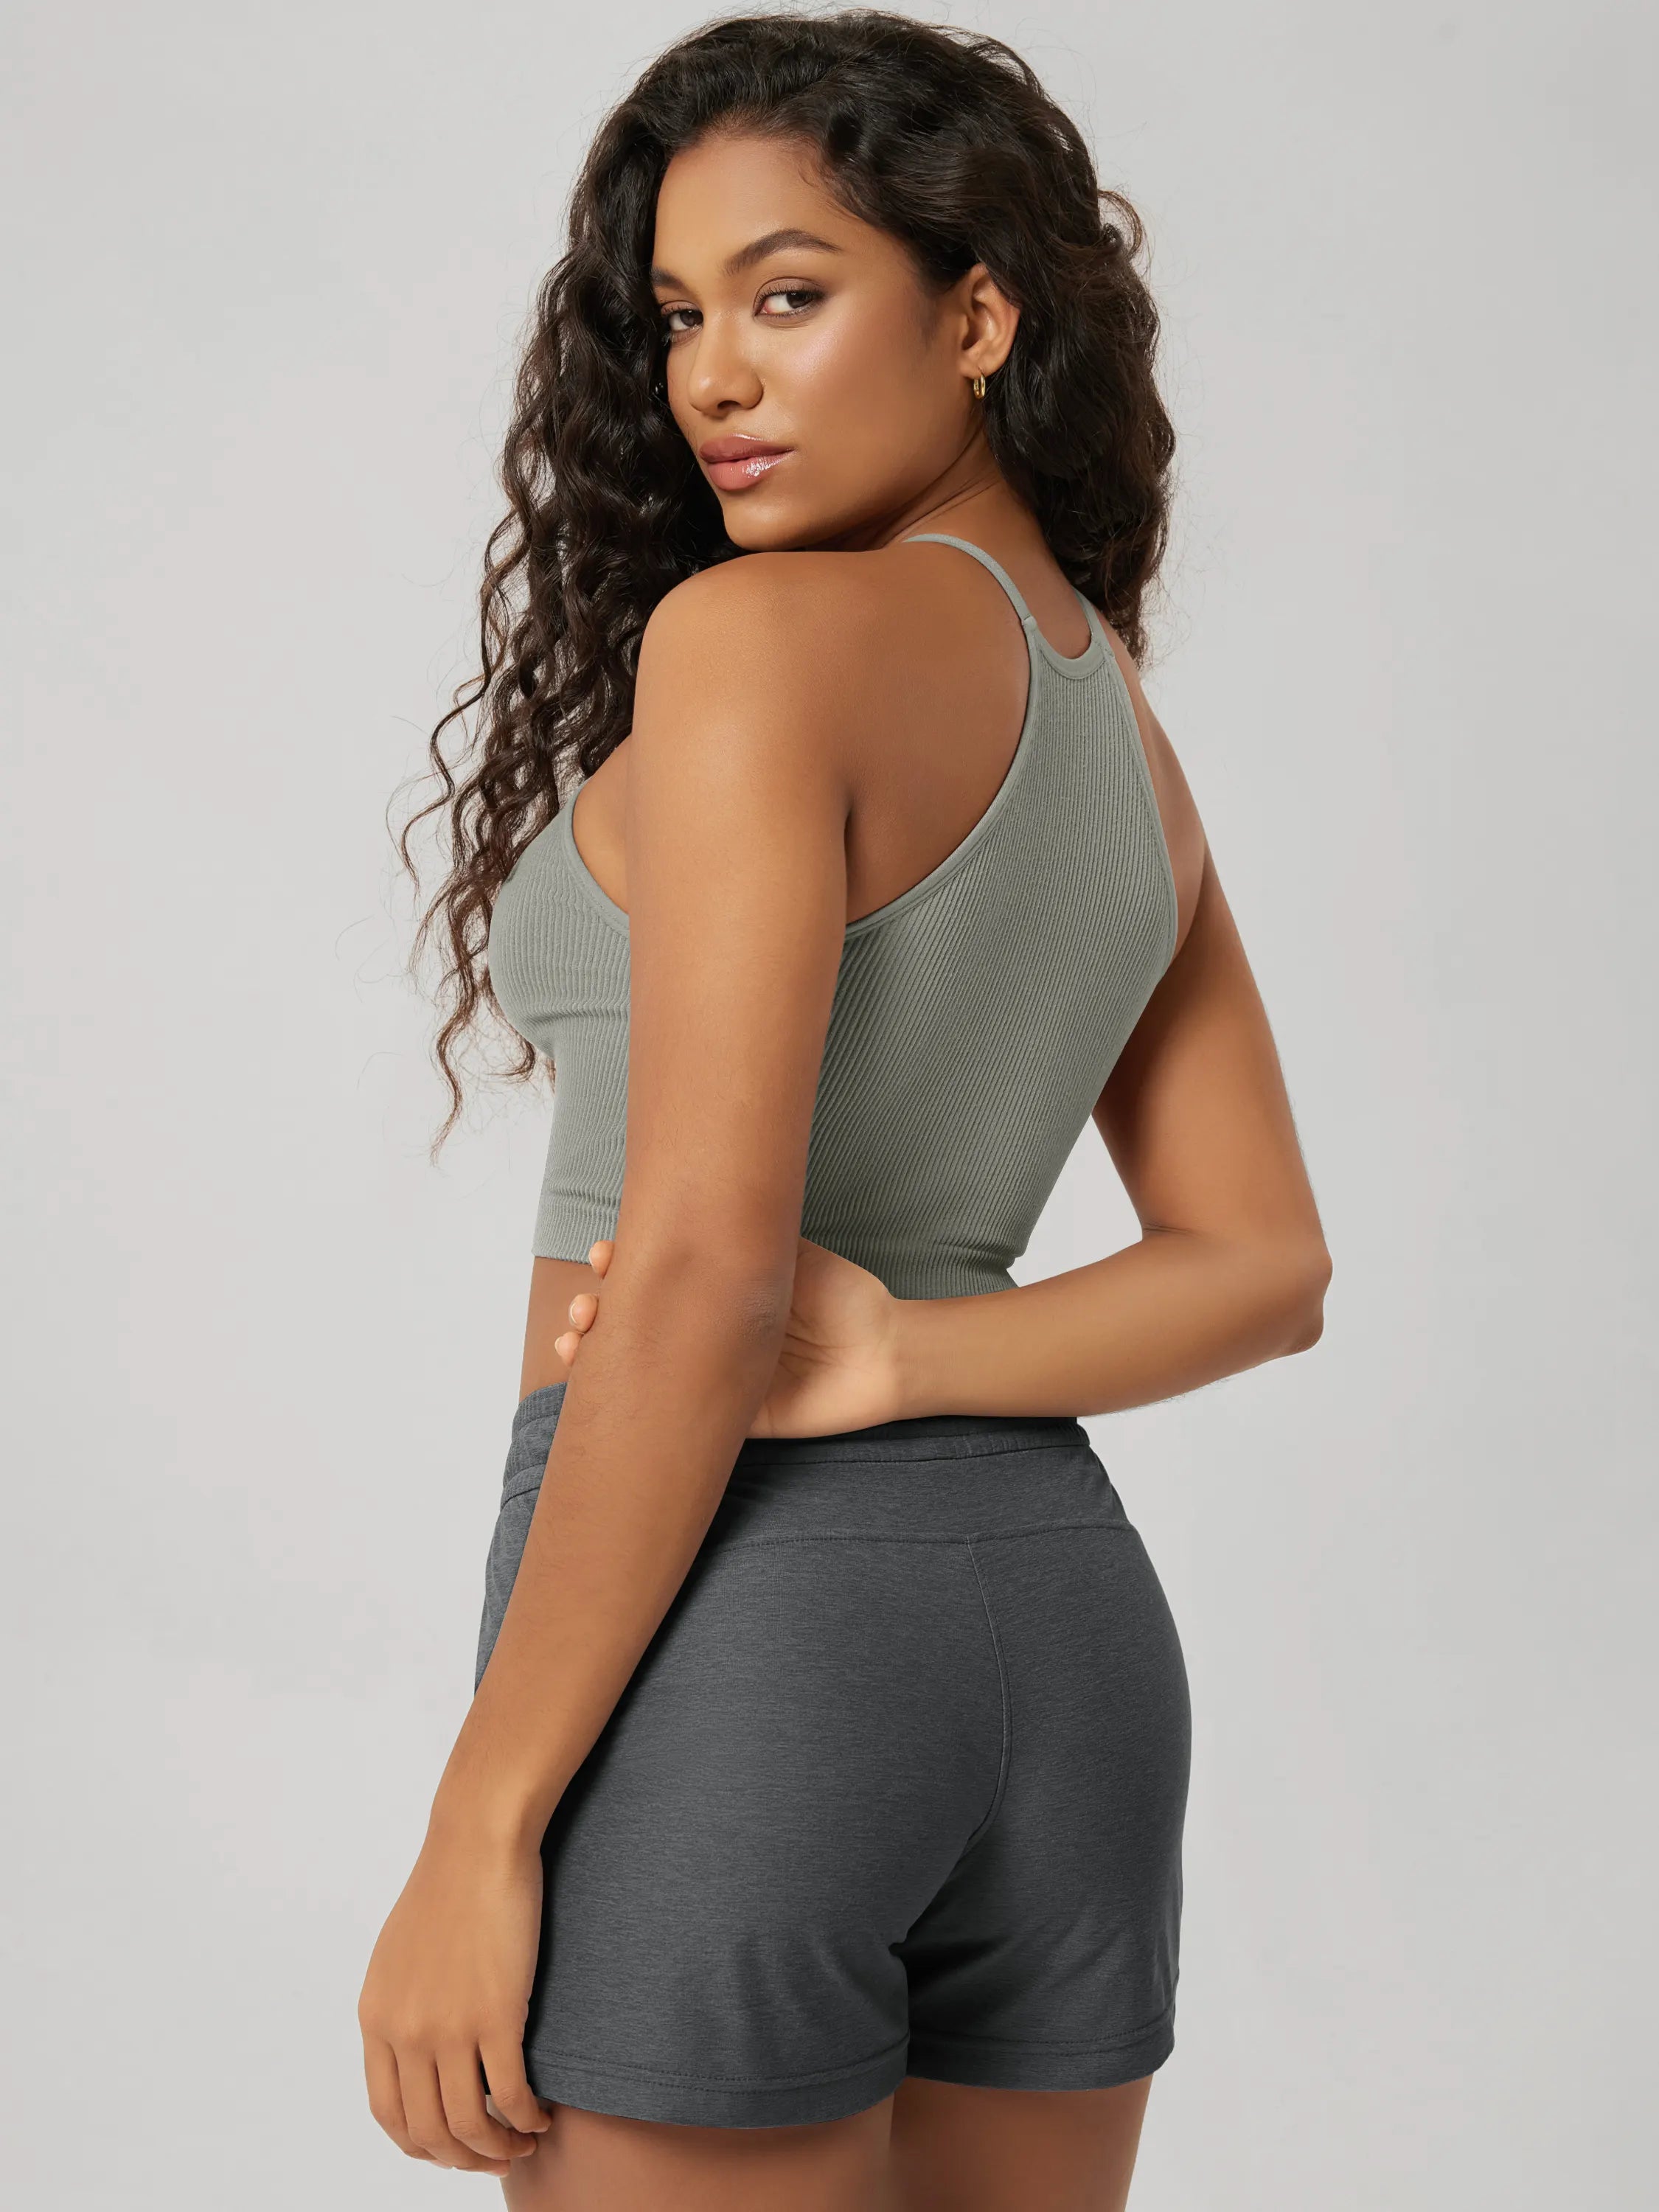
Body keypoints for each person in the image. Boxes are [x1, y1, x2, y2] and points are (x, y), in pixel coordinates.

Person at [358, 12, 1331, 2209]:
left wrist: (479, 1826)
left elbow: (703, 1273)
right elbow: (1266, 1264)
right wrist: (912, 1354)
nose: (713, 376)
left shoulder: (755, 645)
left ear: (977, 316)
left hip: (743, 1623)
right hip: (1064, 1643)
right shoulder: (1114, 724)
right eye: (679, 316)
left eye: (787, 296)